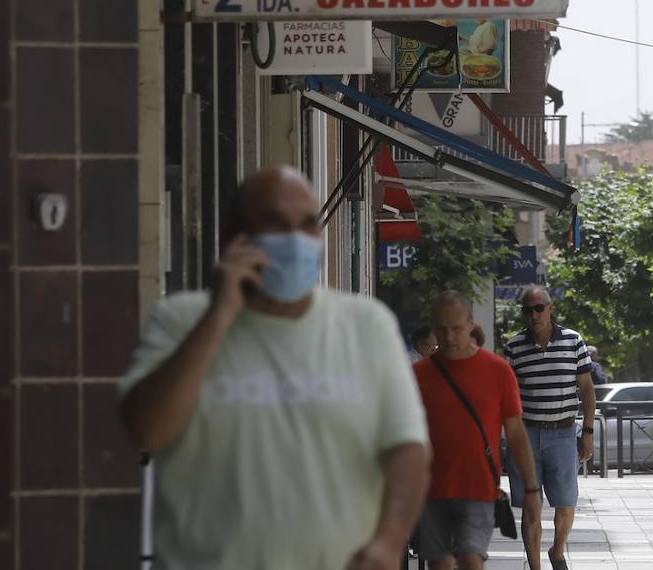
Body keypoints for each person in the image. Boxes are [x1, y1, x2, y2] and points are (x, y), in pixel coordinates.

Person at [118, 166, 429, 570]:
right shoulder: (181, 321)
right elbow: (146, 430)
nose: (296, 240)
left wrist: (389, 542)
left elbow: (406, 449)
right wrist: (219, 315)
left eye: (307, 225)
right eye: (277, 225)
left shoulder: (366, 325)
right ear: (235, 237)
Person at [413, 292, 542, 570]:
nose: (449, 337)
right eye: (442, 330)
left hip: (478, 488)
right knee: (440, 565)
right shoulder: (418, 375)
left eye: (456, 328)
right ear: (434, 330)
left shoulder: (497, 370)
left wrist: (531, 488)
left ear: (471, 324)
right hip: (431, 489)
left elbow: (516, 433)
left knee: (471, 559)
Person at [503, 285, 597, 570]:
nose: (533, 315)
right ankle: (534, 567)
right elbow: (506, 396)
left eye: (538, 308)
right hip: (527, 435)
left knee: (566, 503)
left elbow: (587, 389)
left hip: (564, 432)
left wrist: (588, 432)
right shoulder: (514, 347)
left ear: (550, 308)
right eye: (527, 310)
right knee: (531, 508)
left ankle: (557, 551)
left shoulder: (573, 341)